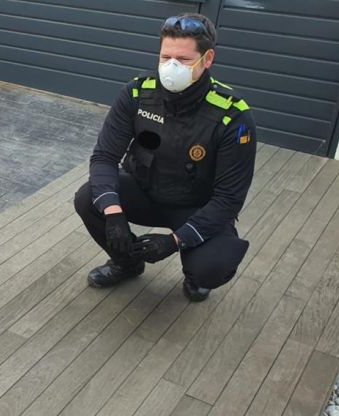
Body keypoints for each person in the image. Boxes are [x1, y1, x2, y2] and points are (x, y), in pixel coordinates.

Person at [74, 13, 255, 302]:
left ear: (207, 59)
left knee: (213, 266)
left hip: (195, 206)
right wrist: (114, 214)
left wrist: (174, 241)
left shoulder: (232, 114)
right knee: (89, 198)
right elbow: (104, 157)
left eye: (183, 60)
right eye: (165, 56)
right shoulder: (137, 92)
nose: (171, 66)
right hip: (146, 191)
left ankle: (195, 272)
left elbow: (229, 199)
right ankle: (128, 262)